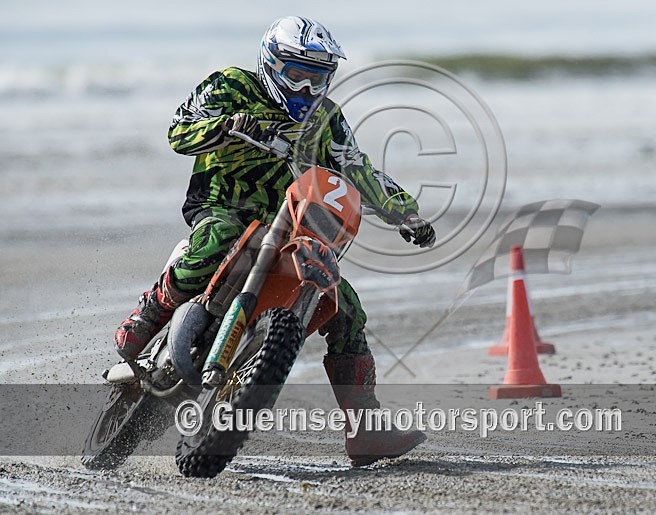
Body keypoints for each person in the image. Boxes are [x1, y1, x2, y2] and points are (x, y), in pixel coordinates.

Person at [113, 16, 435, 466]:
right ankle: (149, 315)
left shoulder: (326, 119)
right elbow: (178, 131)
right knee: (218, 238)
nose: (305, 89)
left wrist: (404, 211)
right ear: (271, 63)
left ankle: (364, 428)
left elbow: (355, 167)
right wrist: (228, 126)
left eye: (317, 78)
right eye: (296, 76)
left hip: (289, 223)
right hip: (222, 205)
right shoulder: (230, 85)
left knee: (347, 308)